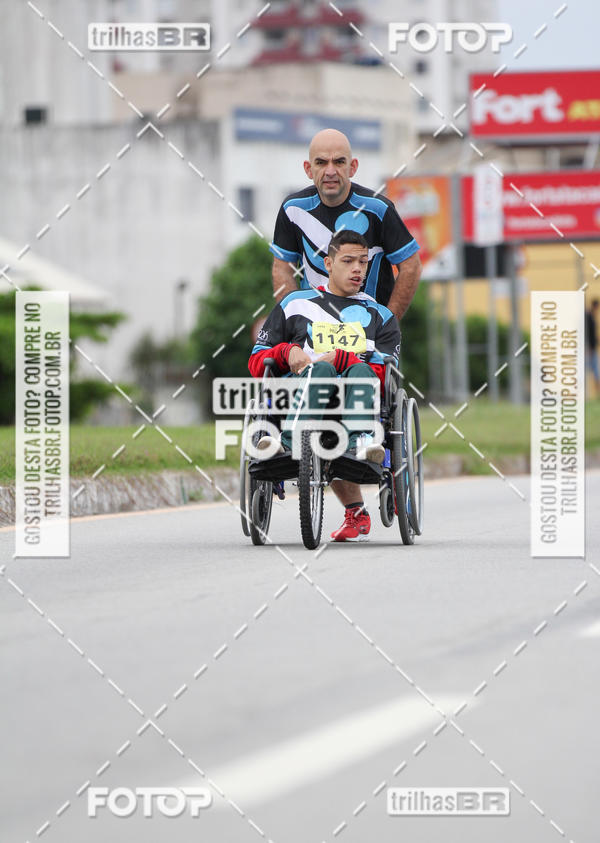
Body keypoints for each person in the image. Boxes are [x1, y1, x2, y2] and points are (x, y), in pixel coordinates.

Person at [268, 127, 421, 539]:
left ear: (353, 166)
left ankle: (372, 457)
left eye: (339, 162)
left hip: (365, 330)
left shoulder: (377, 208)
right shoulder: (293, 209)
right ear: (309, 168)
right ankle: (353, 507)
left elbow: (409, 265)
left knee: (361, 390)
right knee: (296, 384)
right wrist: (288, 313)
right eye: (321, 163)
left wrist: (385, 319)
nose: (330, 171)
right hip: (315, 327)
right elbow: (282, 266)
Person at [249, 229, 401, 542]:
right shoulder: (295, 304)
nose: (358, 269)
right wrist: (286, 350)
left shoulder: (381, 316)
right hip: (299, 388)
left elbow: (384, 375)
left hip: (353, 394)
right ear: (328, 263)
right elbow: (257, 362)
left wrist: (342, 358)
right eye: (348, 261)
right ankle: (288, 442)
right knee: (320, 372)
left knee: (357, 371)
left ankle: (362, 443)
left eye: (363, 262)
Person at [585, 298, 599, 397]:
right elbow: (588, 334)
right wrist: (589, 348)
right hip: (590, 350)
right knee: (595, 372)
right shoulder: (589, 317)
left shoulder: (591, 317)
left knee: (595, 372)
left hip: (592, 349)